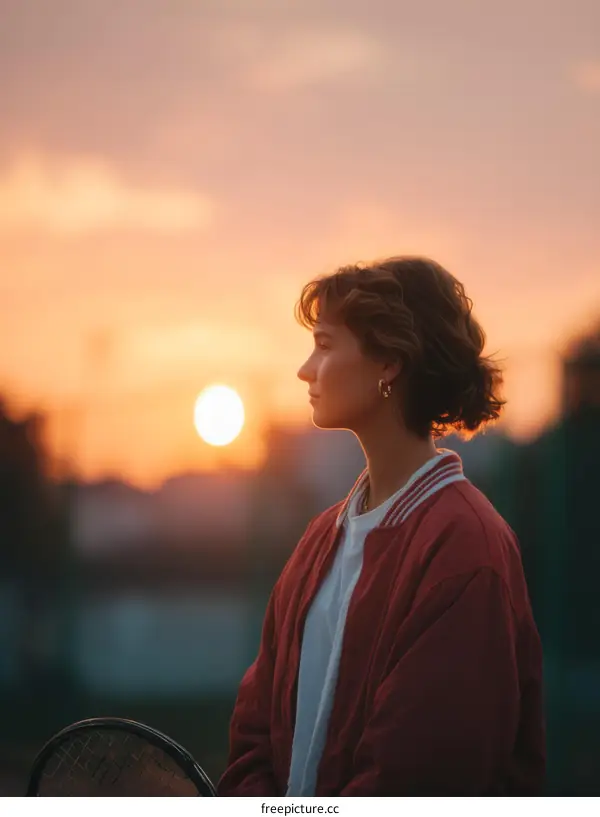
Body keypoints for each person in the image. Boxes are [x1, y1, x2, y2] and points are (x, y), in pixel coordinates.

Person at [218, 256, 545, 796]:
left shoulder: (466, 546)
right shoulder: (320, 540)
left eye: (324, 345)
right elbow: (256, 731)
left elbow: (418, 780)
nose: (304, 369)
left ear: (388, 362)